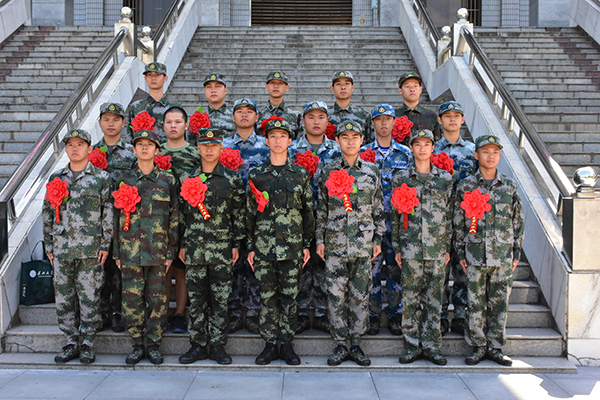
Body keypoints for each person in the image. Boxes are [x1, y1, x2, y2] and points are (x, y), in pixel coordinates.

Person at [316, 121, 386, 367]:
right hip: (335, 244)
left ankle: (355, 344)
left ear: (362, 140)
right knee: (335, 295)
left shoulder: (371, 171)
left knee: (360, 295)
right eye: (345, 137)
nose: (350, 141)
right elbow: (321, 209)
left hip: (362, 245)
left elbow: (378, 208)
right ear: (337, 141)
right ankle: (339, 344)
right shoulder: (328, 171)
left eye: (355, 137)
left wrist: (378, 239)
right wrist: (319, 240)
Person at [246, 119, 314, 365]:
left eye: (282, 136)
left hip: (292, 247)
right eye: (273, 136)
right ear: (266, 141)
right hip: (264, 248)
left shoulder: (300, 174)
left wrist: (307, 244)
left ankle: (286, 345)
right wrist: (251, 248)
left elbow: (308, 212)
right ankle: (268, 345)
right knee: (267, 297)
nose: (277, 140)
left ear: (290, 141)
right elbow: (249, 214)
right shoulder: (257, 175)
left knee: (289, 298)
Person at [43, 129, 113, 364]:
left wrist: (105, 244)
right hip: (62, 248)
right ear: (65, 148)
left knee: (89, 296)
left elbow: (107, 213)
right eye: (70, 144)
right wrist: (49, 247)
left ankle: (88, 343)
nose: (75, 148)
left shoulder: (101, 178)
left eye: (80, 144)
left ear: (89, 148)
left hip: (90, 249)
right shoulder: (56, 179)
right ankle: (71, 341)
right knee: (64, 297)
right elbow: (47, 213)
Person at [453, 135, 524, 367]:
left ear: (499, 155)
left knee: (499, 303)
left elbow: (517, 221)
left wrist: (516, 252)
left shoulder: (509, 186)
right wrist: (461, 253)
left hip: (502, 255)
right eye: (485, 151)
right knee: (475, 302)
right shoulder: (466, 185)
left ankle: (495, 347)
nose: (490, 156)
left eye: (495, 152)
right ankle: (478, 346)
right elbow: (458, 222)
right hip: (475, 254)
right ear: (476, 155)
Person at [178, 128, 245, 365]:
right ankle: (197, 344)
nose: (209, 149)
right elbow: (181, 215)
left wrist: (236, 244)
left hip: (222, 249)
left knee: (220, 298)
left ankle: (217, 345)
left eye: (213, 145)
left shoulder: (231, 179)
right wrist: (182, 244)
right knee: (196, 299)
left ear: (221, 148)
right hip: (194, 248)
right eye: (205, 145)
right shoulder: (187, 178)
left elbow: (238, 214)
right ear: (198, 148)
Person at [113, 129, 179, 365]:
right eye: (139, 144)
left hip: (158, 251)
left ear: (157, 150)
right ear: (134, 149)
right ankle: (136, 344)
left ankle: (153, 344)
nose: (144, 148)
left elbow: (174, 217)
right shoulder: (124, 180)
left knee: (157, 300)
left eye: (149, 144)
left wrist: (171, 251)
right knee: (132, 300)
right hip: (129, 251)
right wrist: (116, 252)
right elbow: (115, 218)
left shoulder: (168, 180)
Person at [391, 129, 453, 366]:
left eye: (427, 144)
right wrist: (397, 247)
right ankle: (411, 345)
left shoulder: (444, 179)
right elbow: (395, 216)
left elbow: (449, 216)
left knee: (434, 299)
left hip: (436, 248)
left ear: (433, 148)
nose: (422, 148)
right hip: (411, 247)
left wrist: (447, 247)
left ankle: (431, 346)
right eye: (418, 144)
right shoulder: (402, 178)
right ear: (411, 148)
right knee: (410, 298)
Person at [288, 101, 341, 334]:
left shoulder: (337, 150)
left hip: (329, 217)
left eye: (321, 117)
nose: (316, 121)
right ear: (303, 121)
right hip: (298, 216)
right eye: (311, 117)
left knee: (323, 264)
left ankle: (321, 312)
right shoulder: (292, 150)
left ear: (328, 121)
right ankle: (300, 311)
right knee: (299, 264)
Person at [360, 104, 412, 337]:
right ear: (372, 123)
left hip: (397, 221)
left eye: (388, 119)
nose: (383, 123)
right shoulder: (363, 152)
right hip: (370, 222)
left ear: (394, 122)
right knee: (371, 270)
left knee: (395, 270)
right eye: (379, 119)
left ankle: (395, 314)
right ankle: (372, 314)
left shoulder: (405, 154)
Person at [223, 98, 270, 334]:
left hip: (257, 214)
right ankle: (232, 311)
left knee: (254, 263)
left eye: (249, 111)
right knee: (230, 263)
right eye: (239, 111)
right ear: (232, 117)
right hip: (228, 213)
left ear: (256, 117)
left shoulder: (266, 145)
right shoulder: (222, 146)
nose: (244, 115)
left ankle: (253, 311)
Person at [434, 101, 477, 336]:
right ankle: (440, 314)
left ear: (463, 120)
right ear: (439, 120)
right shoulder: (431, 150)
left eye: (456, 115)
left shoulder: (473, 151)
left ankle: (460, 314)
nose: (452, 119)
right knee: (439, 268)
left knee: (462, 266)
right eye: (447, 115)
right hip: (438, 217)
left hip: (465, 218)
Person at [159, 105, 202, 334]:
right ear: (163, 126)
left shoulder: (195, 154)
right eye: (169, 122)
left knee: (181, 268)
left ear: (186, 125)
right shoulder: (156, 152)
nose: (173, 126)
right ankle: (163, 313)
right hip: (159, 220)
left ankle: (179, 314)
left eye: (177, 122)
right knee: (163, 268)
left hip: (187, 218)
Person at [93, 102, 136, 333]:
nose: (111, 123)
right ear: (99, 123)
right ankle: (101, 312)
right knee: (99, 268)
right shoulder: (90, 152)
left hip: (123, 220)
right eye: (106, 119)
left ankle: (119, 312)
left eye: (116, 119)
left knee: (121, 269)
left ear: (123, 123)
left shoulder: (131, 153)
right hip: (96, 221)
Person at [128, 62, 177, 143]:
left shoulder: (174, 107)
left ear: (165, 78)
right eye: (150, 75)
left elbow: (181, 137)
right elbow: (130, 135)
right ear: (145, 78)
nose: (153, 78)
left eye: (157, 75)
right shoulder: (136, 107)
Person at [396, 72, 441, 145]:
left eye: (415, 86)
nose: (412, 89)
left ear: (420, 89)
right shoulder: (393, 116)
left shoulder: (431, 116)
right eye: (407, 86)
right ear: (400, 90)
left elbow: (438, 144)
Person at [327, 71, 373, 144]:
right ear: (332, 88)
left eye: (347, 83)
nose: (343, 87)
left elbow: (370, 143)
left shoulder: (364, 115)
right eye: (338, 84)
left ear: (352, 87)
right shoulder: (325, 116)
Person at [258, 71, 301, 139]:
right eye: (272, 82)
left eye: (280, 83)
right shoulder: (258, 114)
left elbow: (299, 141)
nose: (276, 86)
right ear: (267, 86)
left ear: (286, 87)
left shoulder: (295, 115)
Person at [202, 72, 236, 138]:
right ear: (204, 90)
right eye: (209, 87)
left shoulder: (235, 116)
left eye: (218, 86)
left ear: (225, 90)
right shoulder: (198, 118)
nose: (213, 90)